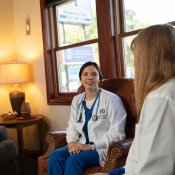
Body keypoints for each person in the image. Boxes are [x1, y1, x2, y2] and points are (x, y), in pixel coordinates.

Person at [92, 24, 175, 175]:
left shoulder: (161, 98)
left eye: (137, 58)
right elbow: (139, 161)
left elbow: (153, 171)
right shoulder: (163, 94)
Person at [47, 61, 127, 175]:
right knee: (55, 156)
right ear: (80, 78)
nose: (90, 77)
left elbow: (118, 134)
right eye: (85, 74)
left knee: (74, 159)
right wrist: (71, 143)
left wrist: (89, 146)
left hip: (101, 148)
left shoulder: (111, 99)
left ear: (99, 78)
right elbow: (72, 127)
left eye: (94, 74)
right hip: (81, 143)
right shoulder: (77, 100)